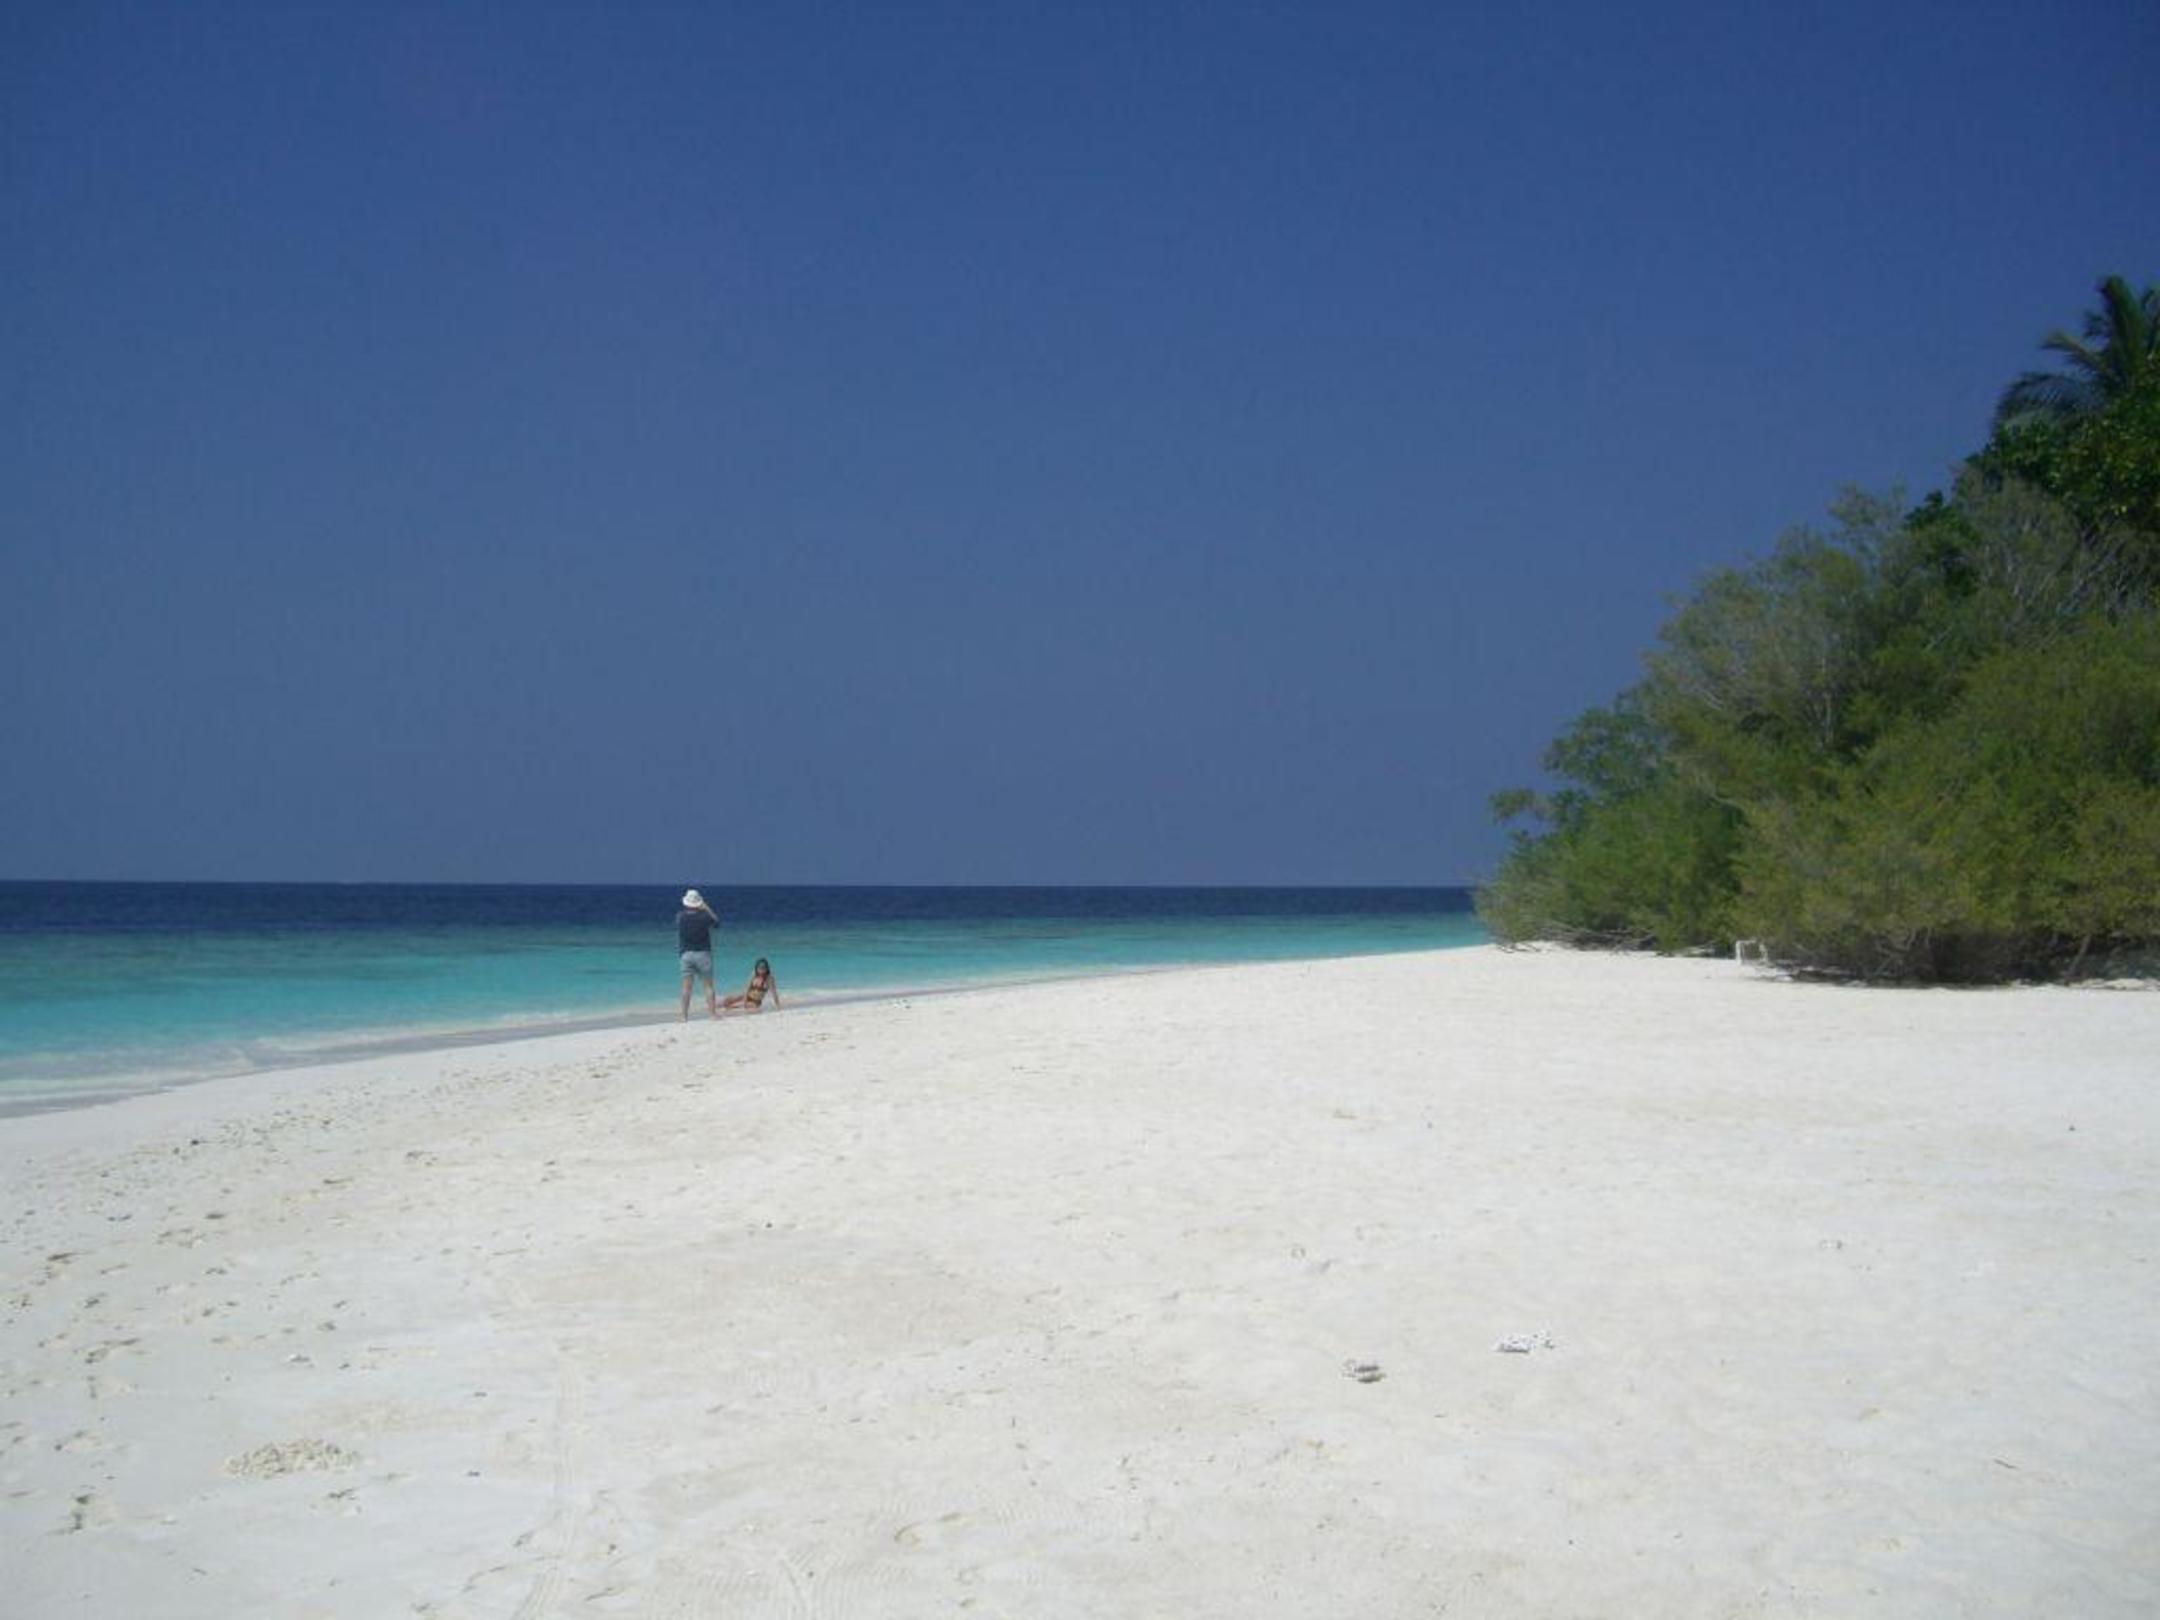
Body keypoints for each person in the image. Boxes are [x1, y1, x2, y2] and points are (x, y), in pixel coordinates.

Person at [676, 889, 722, 1021]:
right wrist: (706, 907)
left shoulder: (680, 916)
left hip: (686, 954)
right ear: (698, 903)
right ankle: (712, 1015)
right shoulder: (705, 917)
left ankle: (684, 1016)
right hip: (703, 954)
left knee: (686, 988)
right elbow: (717, 923)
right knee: (708, 986)